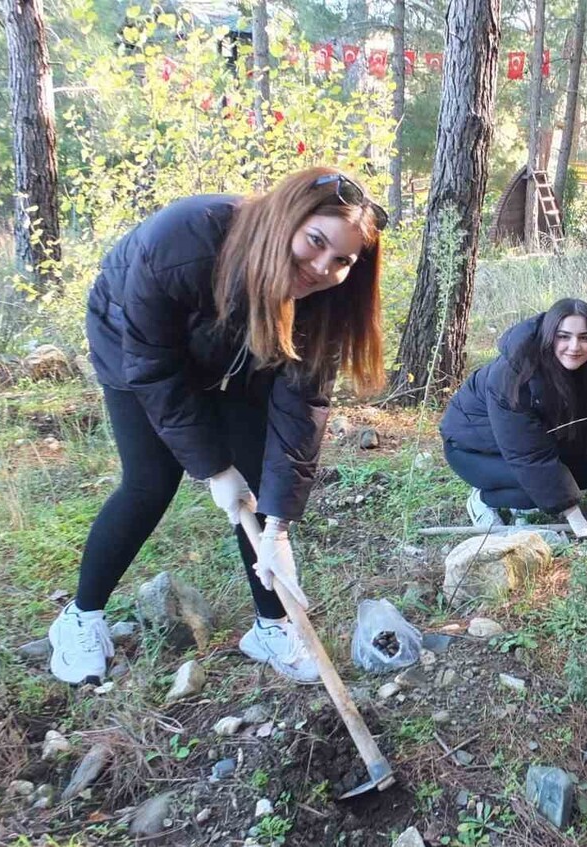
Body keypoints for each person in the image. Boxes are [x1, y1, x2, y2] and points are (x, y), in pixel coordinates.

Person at [47, 168, 387, 686]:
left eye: (341, 260)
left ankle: (271, 627)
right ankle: (79, 618)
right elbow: (155, 371)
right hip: (133, 343)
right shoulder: (184, 241)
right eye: (315, 242)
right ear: (286, 218)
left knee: (258, 485)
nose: (321, 267)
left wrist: (277, 524)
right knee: (150, 481)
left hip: (241, 340)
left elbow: (301, 406)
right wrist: (211, 467)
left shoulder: (323, 297)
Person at [439, 299, 587, 546]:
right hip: (473, 449)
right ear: (549, 336)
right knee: (534, 491)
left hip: (529, 443)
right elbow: (528, 455)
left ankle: (524, 494)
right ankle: (484, 498)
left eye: (584, 337)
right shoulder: (512, 375)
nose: (574, 346)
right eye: (564, 336)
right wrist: (577, 522)